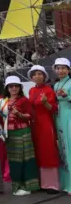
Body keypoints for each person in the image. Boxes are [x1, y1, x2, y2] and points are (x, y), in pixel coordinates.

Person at [4, 76, 39, 195]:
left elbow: (31, 116)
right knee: (14, 161)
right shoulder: (3, 101)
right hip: (9, 133)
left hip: (23, 132)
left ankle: (27, 186)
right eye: (11, 86)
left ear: (20, 87)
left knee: (26, 159)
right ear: (7, 88)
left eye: (16, 86)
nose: (14, 88)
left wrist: (19, 114)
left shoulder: (24, 100)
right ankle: (17, 186)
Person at [27, 65, 60, 193]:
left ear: (44, 76)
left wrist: (46, 102)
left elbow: (54, 109)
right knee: (37, 151)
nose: (37, 76)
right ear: (32, 77)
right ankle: (40, 183)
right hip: (34, 124)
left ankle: (52, 184)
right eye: (35, 74)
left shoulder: (49, 90)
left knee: (48, 151)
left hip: (46, 123)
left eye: (40, 74)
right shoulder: (31, 91)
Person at [53, 57, 71, 194]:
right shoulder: (56, 85)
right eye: (58, 68)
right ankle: (66, 183)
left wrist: (67, 97)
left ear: (69, 70)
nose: (61, 71)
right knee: (63, 148)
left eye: (63, 68)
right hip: (59, 117)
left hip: (69, 117)